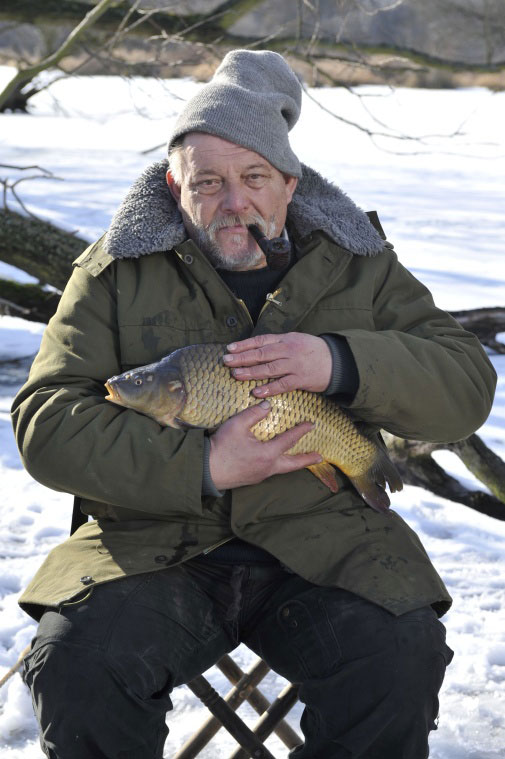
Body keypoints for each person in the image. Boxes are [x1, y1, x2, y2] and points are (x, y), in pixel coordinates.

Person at [11, 49, 496, 759]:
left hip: (325, 543)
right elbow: (45, 421)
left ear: (290, 184)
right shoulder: (114, 271)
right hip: (154, 547)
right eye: (207, 182)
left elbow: (463, 388)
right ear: (175, 186)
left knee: (395, 663)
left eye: (253, 177)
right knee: (78, 665)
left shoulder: (355, 262)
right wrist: (205, 461)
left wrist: (339, 359)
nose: (233, 202)